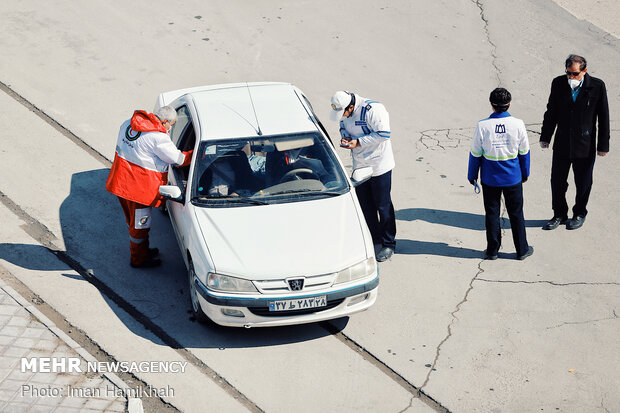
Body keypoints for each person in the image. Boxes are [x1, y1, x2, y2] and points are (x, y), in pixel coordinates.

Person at [106, 106, 192, 268]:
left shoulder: (128, 124)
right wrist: (196, 153)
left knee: (132, 221)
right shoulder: (158, 138)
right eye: (170, 125)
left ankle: (142, 251)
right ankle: (138, 259)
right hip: (138, 190)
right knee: (140, 226)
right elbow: (178, 159)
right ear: (164, 121)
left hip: (120, 182)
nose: (169, 129)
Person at [540, 54, 609, 230]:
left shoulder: (597, 86)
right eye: (568, 73)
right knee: (557, 181)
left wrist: (603, 145)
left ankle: (579, 213)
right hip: (562, 142)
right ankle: (559, 214)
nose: (571, 77)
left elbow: (604, 117)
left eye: (575, 74)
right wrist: (545, 136)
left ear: (584, 71)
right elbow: (551, 111)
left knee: (583, 182)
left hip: (584, 146)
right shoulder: (558, 83)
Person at [467, 88, 533, 260]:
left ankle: (492, 250)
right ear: (509, 104)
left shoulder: (483, 125)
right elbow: (524, 152)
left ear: (491, 105)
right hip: (513, 177)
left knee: (492, 214)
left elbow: (475, 154)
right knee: (516, 213)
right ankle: (521, 249)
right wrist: (525, 173)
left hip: (490, 179)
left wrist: (472, 175)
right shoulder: (518, 124)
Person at [330, 91, 396, 262]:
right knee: (365, 205)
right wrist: (345, 136)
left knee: (383, 205)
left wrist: (358, 142)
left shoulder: (373, 110)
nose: (342, 116)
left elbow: (384, 134)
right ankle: (374, 239)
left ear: (351, 107)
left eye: (343, 112)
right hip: (360, 164)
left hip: (379, 165)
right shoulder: (345, 112)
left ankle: (388, 243)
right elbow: (342, 125)